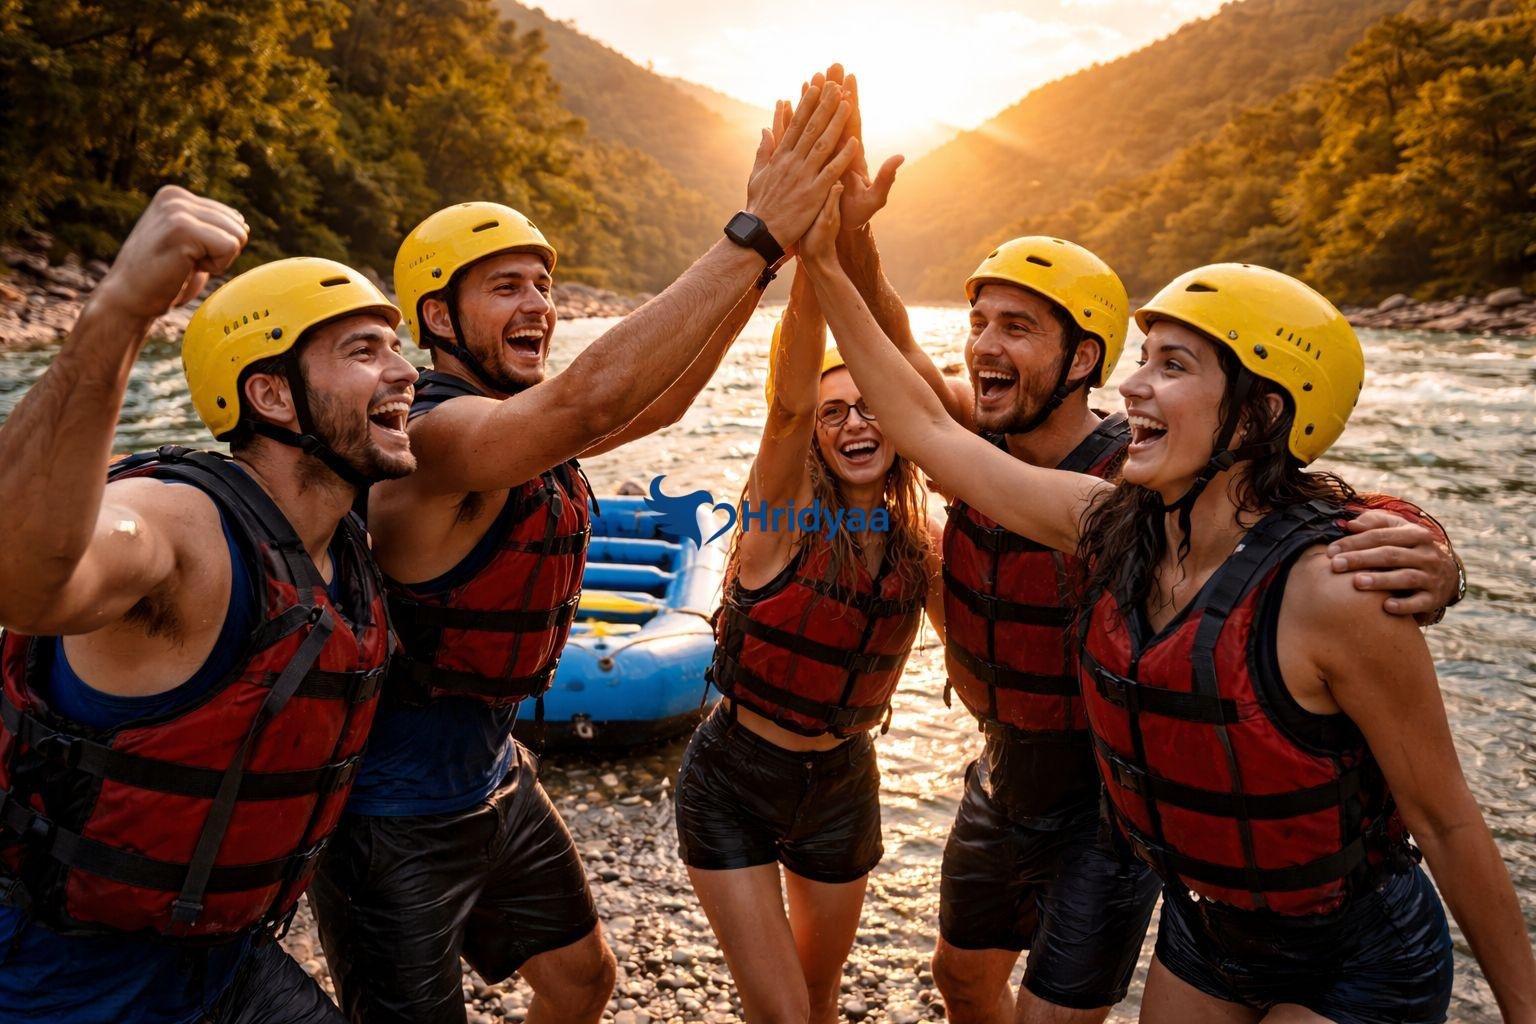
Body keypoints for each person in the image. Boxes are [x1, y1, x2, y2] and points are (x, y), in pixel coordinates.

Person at [809, 64, 1464, 1024]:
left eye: (1016, 328)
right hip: (1004, 767)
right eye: (979, 322)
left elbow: (1297, 509)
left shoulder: (1142, 472)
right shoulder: (983, 435)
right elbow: (907, 374)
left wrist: (1437, 552)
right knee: (959, 978)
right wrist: (841, 238)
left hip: (1109, 804)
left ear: (1082, 359)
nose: (984, 345)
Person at [308, 82, 861, 1024]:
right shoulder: (431, 440)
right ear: (437, 320)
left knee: (582, 978)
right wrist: (753, 234)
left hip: (494, 773)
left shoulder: (521, 428)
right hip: (388, 818)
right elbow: (587, 403)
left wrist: (770, 266)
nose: (539, 306)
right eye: (505, 287)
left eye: (543, 285)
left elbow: (662, 403)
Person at [0, 186, 417, 1022]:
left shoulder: (344, 545)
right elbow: (28, 581)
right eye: (365, 349)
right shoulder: (181, 524)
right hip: (57, 982)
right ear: (270, 396)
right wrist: (116, 316)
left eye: (398, 346)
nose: (406, 370)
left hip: (226, 966)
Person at [675, 264, 943, 1024]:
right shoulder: (778, 521)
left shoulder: (921, 543)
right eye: (835, 416)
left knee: (819, 1001)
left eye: (870, 407)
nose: (856, 425)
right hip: (734, 780)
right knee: (785, 1016)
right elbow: (786, 409)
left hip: (843, 783)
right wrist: (812, 263)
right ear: (818, 437)